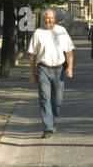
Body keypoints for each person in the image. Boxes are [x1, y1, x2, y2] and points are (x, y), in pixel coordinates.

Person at [28, 8, 74, 139]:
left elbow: (69, 51)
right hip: (43, 68)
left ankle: (53, 121)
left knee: (58, 100)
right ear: (43, 19)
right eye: (48, 18)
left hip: (59, 69)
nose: (50, 20)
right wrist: (32, 73)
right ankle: (47, 128)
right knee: (44, 98)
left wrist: (70, 67)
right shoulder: (38, 33)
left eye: (52, 18)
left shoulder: (61, 31)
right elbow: (32, 55)